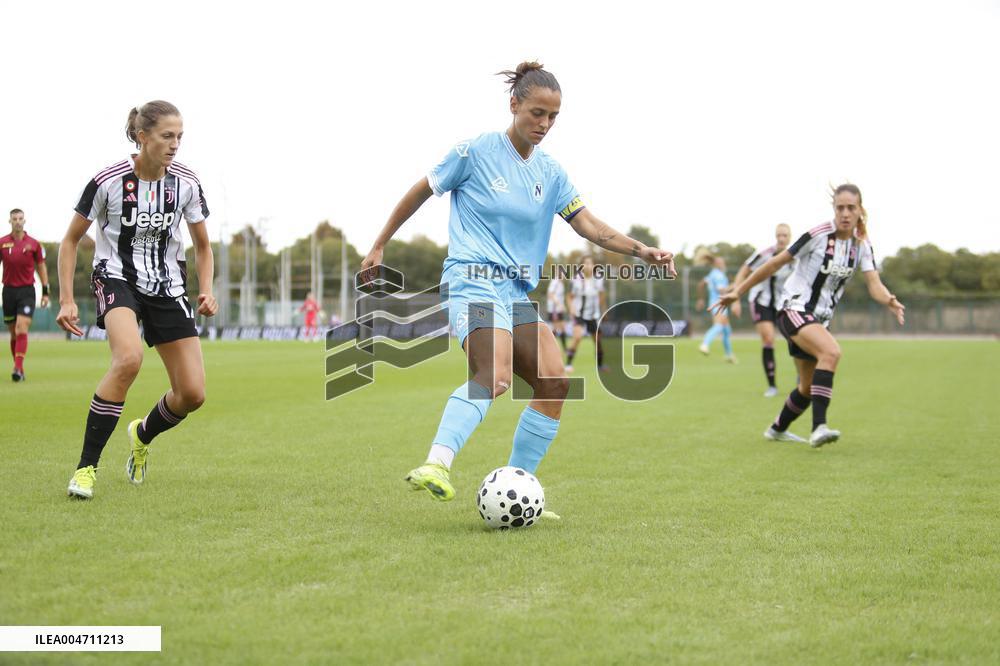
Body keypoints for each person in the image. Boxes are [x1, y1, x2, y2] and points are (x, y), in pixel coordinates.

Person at [361, 62, 676, 516]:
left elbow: (587, 224)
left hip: (513, 291)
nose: (544, 124)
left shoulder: (551, 172)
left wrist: (640, 249)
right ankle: (436, 463)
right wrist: (379, 243)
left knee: (555, 381)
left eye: (552, 117)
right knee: (495, 377)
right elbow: (421, 191)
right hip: (472, 279)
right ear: (514, 105)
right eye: (536, 113)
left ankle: (516, 486)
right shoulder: (474, 152)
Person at [57, 100, 217, 499]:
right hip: (116, 278)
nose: (175, 144)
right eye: (167, 136)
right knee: (128, 359)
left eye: (180, 136)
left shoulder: (186, 183)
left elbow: (202, 245)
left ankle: (142, 434)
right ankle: (85, 469)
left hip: (167, 286)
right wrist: (65, 299)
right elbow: (70, 240)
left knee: (193, 394)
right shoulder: (107, 181)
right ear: (142, 137)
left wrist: (207, 288)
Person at [712, 184, 905, 447]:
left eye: (851, 208)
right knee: (831, 353)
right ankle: (819, 428)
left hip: (818, 320)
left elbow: (874, 284)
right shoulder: (817, 235)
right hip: (793, 309)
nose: (845, 213)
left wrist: (889, 300)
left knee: (807, 387)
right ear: (834, 209)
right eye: (840, 208)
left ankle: (777, 429)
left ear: (861, 210)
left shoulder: (862, 245)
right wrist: (738, 291)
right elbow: (774, 263)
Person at [734, 224, 794, 396]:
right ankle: (772, 386)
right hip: (761, 301)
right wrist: (736, 296)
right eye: (779, 235)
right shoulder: (764, 254)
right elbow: (743, 271)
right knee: (768, 339)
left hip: (783, 303)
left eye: (785, 235)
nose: (781, 238)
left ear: (790, 237)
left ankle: (801, 378)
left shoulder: (796, 256)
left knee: (796, 339)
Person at [1, 208, 50, 381]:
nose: (18, 221)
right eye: (14, 218)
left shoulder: (34, 244)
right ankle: (19, 369)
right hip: (8, 292)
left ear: (24, 220)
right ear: (10, 221)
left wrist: (45, 292)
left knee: (22, 328)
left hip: (27, 292)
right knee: (14, 333)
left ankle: (17, 368)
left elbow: (41, 267)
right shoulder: (2, 243)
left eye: (20, 218)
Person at [696, 252, 740, 363]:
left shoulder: (712, 274)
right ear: (717, 264)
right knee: (719, 325)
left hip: (717, 304)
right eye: (722, 262)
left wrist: (701, 299)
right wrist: (734, 286)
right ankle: (705, 344)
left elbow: (701, 284)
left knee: (726, 330)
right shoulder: (719, 275)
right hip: (718, 304)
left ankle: (729, 355)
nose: (723, 264)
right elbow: (722, 291)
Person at [564, 255, 606, 372]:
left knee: (597, 340)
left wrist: (600, 306)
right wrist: (571, 308)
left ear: (593, 266)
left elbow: (602, 294)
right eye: (585, 263)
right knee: (577, 337)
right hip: (579, 314)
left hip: (592, 315)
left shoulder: (598, 279)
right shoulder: (576, 280)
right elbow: (569, 297)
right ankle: (568, 364)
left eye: (590, 263)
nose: (588, 266)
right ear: (581, 266)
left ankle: (600, 366)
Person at [545, 276, 568, 350]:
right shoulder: (555, 282)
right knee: (556, 328)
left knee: (561, 328)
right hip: (554, 309)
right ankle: (550, 346)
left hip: (558, 309)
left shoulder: (561, 283)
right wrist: (559, 304)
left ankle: (563, 348)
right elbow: (550, 294)